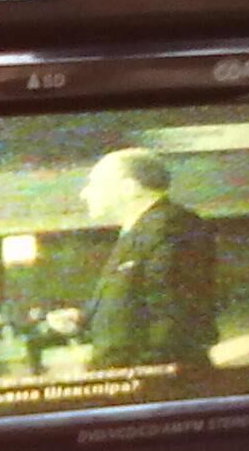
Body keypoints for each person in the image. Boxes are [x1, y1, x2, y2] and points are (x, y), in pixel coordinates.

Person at [78, 148, 218, 375]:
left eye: (94, 184)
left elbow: (173, 317)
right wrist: (83, 318)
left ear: (129, 188)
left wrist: (140, 376)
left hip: (156, 381)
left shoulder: (171, 229)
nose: (84, 194)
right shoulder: (142, 232)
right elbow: (134, 303)